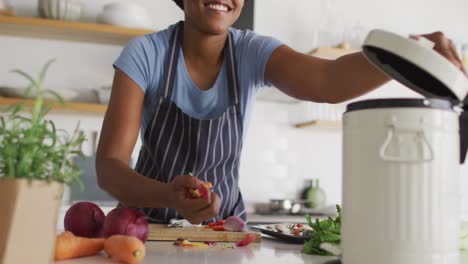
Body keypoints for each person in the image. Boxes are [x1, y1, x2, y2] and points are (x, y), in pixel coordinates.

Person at [96, 0, 466, 224]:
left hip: (222, 236)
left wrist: (407, 52)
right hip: (145, 232)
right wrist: (167, 196)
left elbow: (328, 80)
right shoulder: (146, 54)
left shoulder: (251, 52)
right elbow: (110, 166)